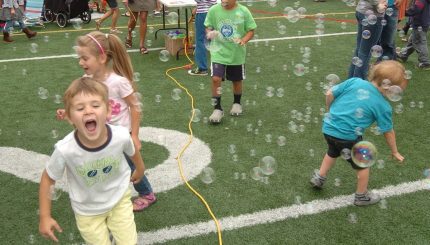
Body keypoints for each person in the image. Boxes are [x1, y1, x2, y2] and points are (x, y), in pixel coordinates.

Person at [57, 31, 157, 211]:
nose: (80, 62)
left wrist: (134, 135)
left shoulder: (118, 82)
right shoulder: (86, 81)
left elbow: (135, 107)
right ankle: (109, 194)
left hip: (122, 134)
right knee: (106, 164)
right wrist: (67, 112)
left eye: (85, 58)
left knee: (132, 164)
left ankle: (147, 193)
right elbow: (82, 104)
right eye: (80, 58)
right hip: (101, 135)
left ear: (102, 58)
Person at [39, 77, 144, 243]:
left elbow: (133, 151)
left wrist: (140, 168)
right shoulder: (65, 149)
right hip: (87, 211)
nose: (88, 111)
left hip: (119, 199)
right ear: (69, 118)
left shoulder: (121, 135)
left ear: (109, 111)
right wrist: (45, 216)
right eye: (80, 108)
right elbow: (48, 178)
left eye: (95, 105)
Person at [310, 60, 408, 206]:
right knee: (363, 164)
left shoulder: (354, 81)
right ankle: (361, 196)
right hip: (348, 137)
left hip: (328, 128)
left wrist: (330, 111)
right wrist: (395, 151)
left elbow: (330, 93)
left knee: (332, 151)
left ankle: (319, 177)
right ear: (390, 88)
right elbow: (388, 131)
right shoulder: (383, 106)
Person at [204, 0, 257, 124]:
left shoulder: (243, 11)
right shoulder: (214, 10)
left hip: (236, 53)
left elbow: (251, 30)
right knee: (216, 78)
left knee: (236, 80)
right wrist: (210, 32)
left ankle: (237, 103)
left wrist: (244, 40)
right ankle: (217, 109)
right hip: (218, 52)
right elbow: (208, 26)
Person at [348, 0, 387, 79]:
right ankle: (357, 84)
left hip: (363, 11)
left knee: (360, 50)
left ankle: (351, 80)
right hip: (372, 14)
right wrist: (377, 4)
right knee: (365, 52)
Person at [397, 0, 430, 70]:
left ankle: (425, 62)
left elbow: (416, 9)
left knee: (419, 43)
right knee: (412, 41)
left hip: (419, 25)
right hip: (421, 24)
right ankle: (403, 55)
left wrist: (405, 12)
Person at [187, 0, 217, 76]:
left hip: (203, 14)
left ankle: (202, 68)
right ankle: (216, 66)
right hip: (214, 11)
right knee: (213, 39)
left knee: (201, 40)